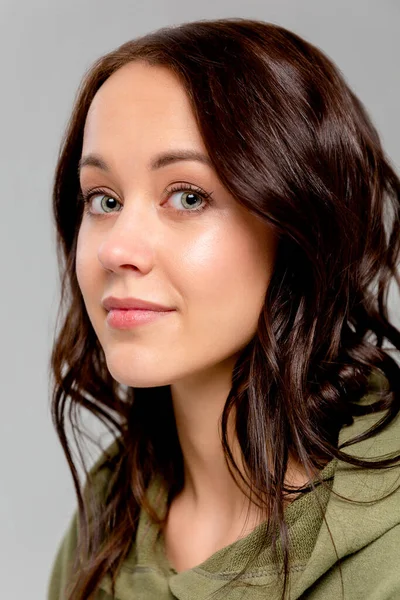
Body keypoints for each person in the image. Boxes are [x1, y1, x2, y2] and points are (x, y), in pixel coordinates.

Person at [47, 17, 400, 600]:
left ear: (299, 224)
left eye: (188, 196)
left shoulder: (387, 545)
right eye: (103, 199)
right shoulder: (109, 519)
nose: (116, 249)